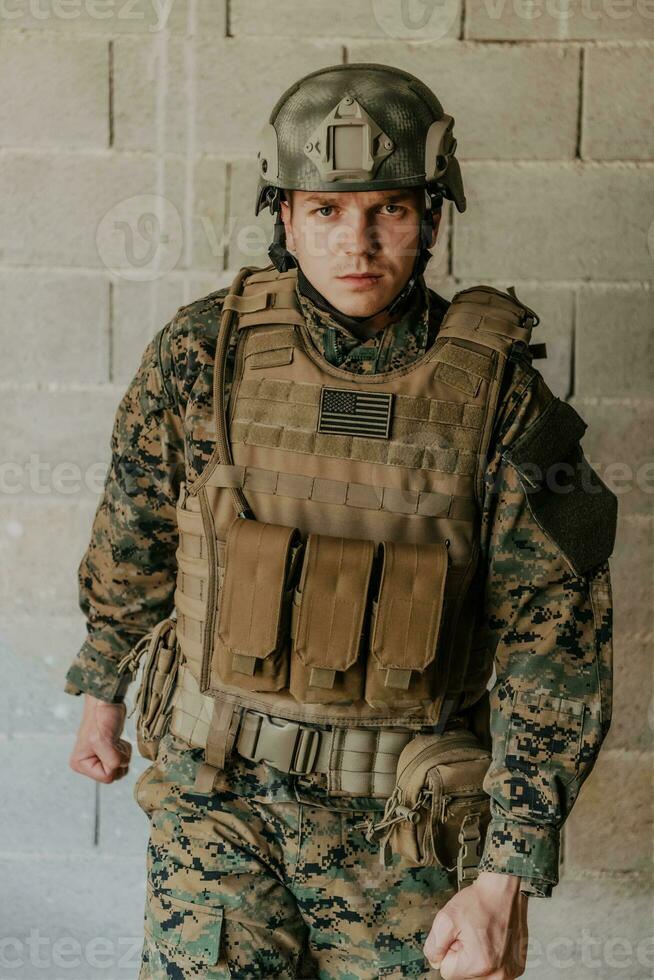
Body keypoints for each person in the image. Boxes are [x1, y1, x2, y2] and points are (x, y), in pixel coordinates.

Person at [66, 63, 617, 979]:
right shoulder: (202, 355)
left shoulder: (501, 398)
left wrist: (504, 877)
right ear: (283, 216)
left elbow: (553, 646)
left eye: (389, 210)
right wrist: (102, 694)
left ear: (433, 216)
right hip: (217, 806)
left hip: (406, 832)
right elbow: (134, 530)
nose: (356, 242)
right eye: (325, 210)